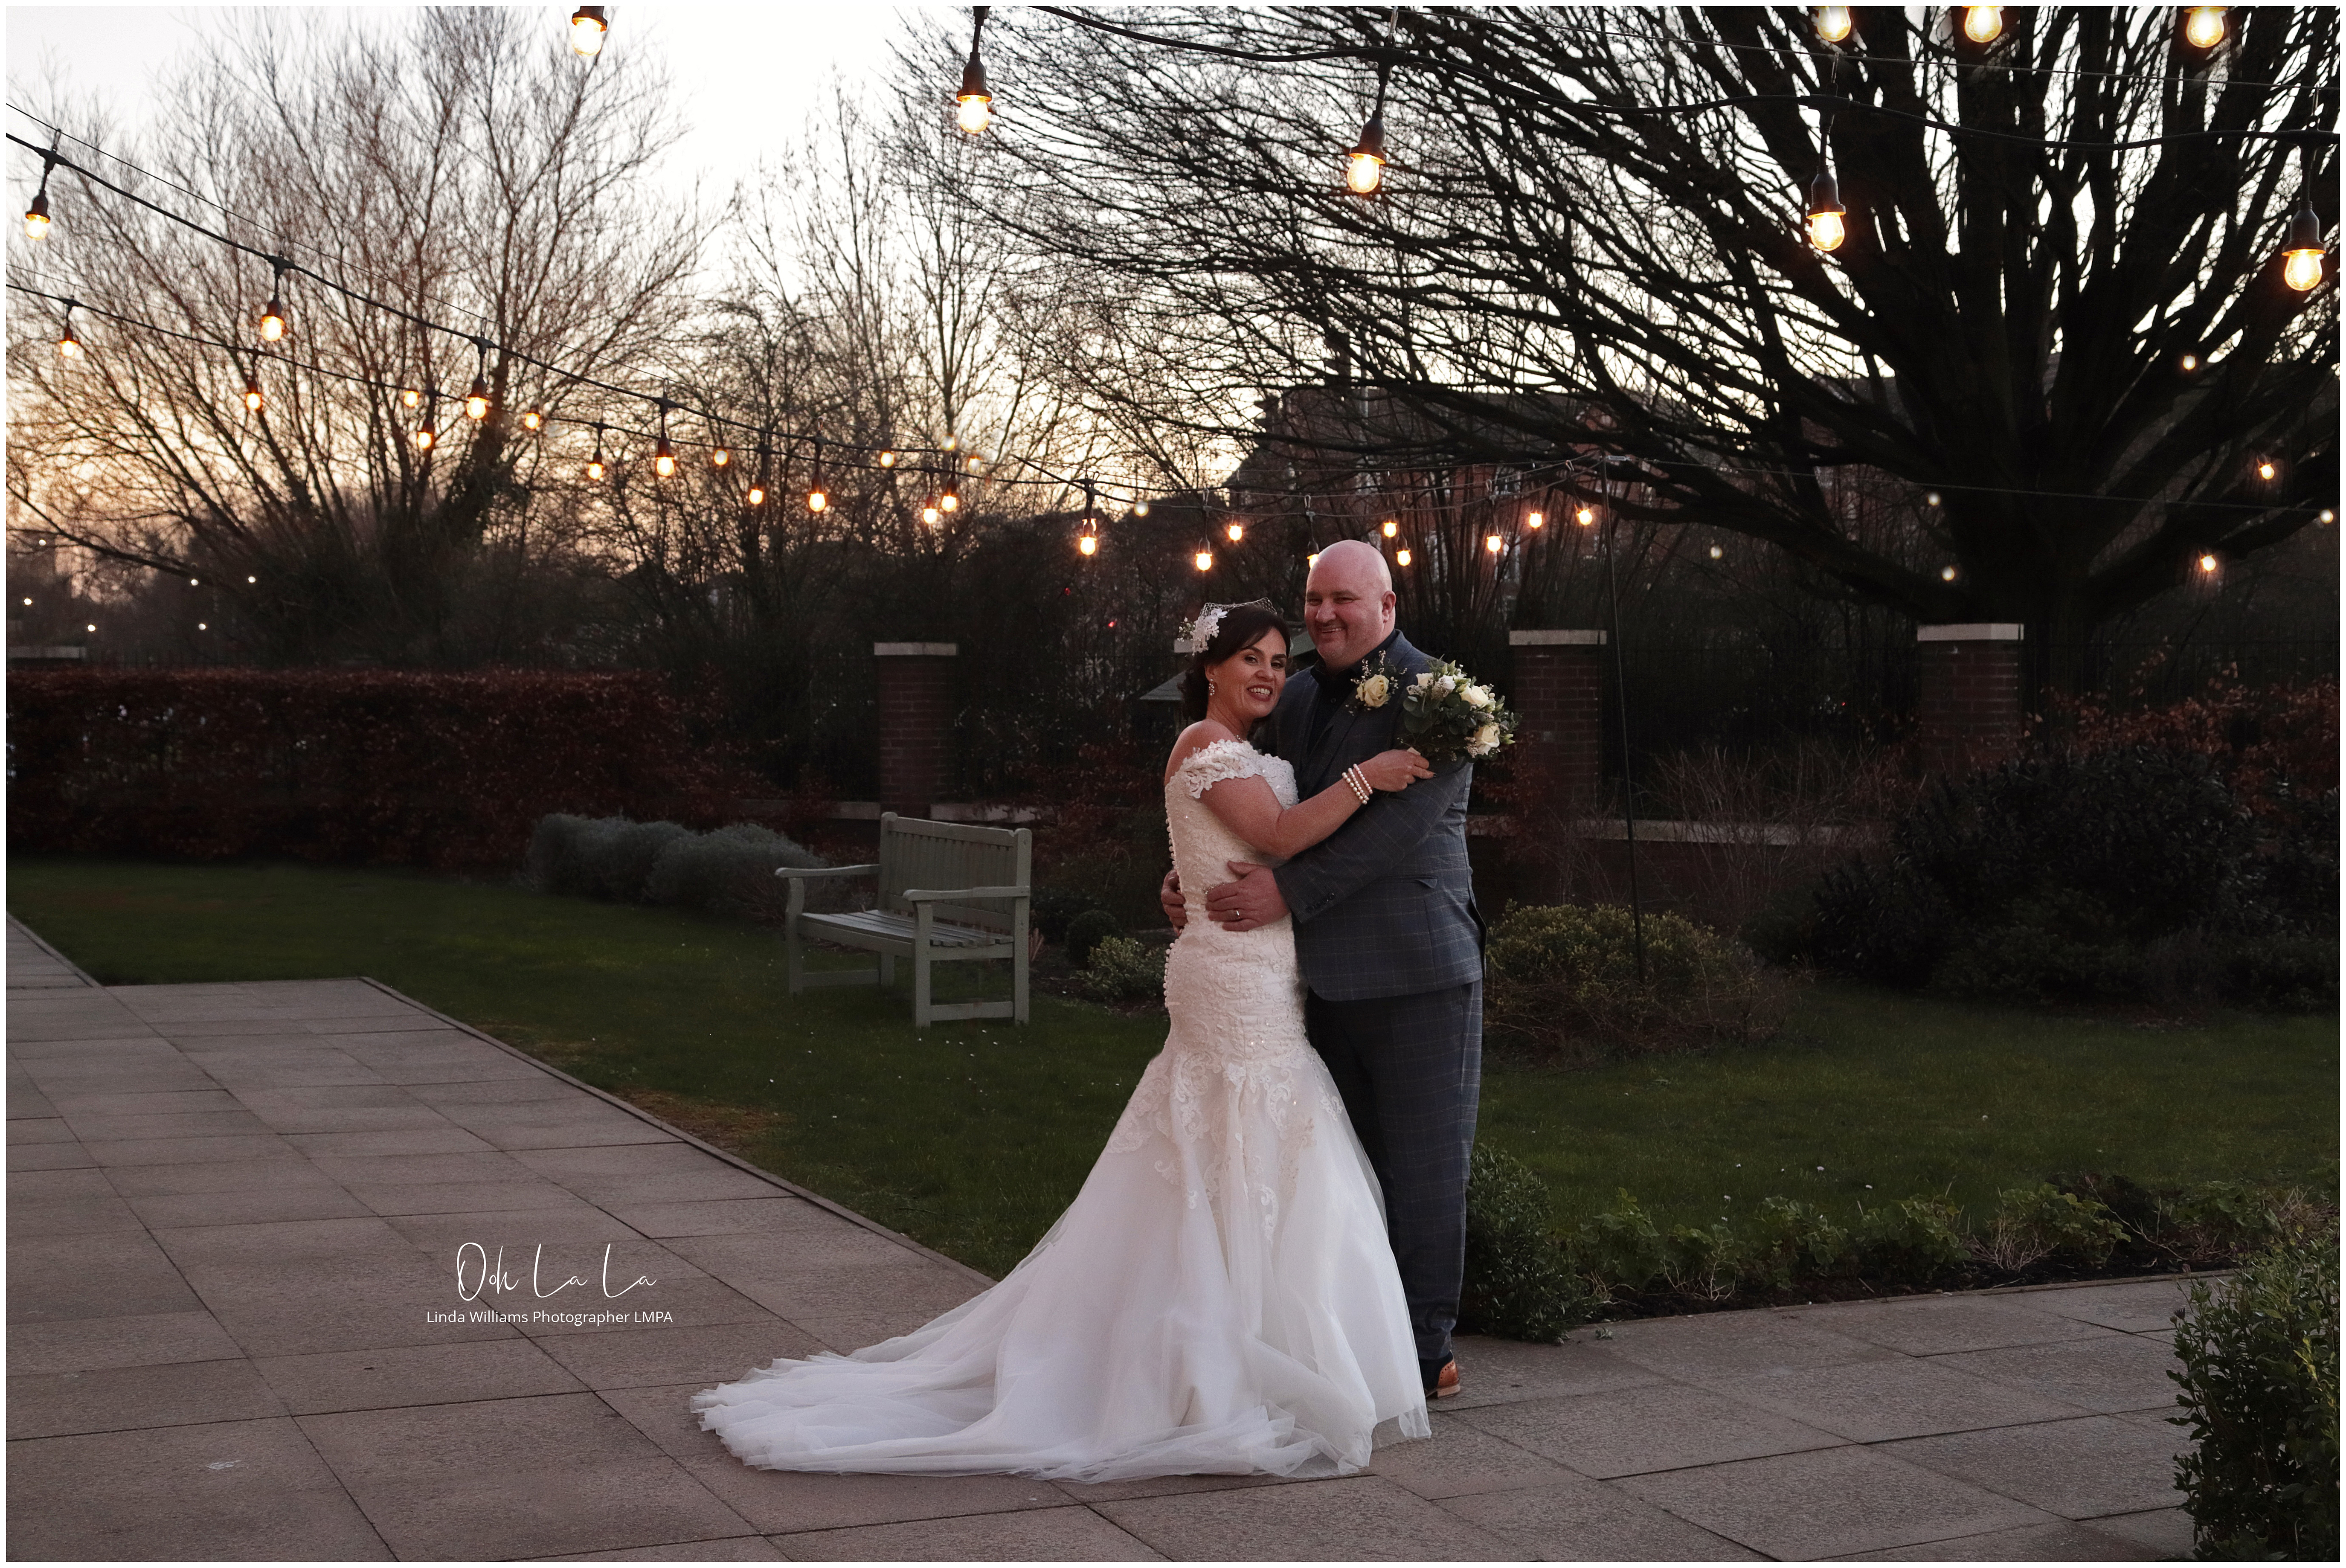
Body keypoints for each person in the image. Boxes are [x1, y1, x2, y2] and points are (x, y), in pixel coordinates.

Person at [691, 600, 1437, 1482]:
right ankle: (1205, 1356)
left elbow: (1257, 846)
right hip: (1227, 979)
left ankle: (1260, 1343)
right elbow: (1277, 833)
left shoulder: (1259, 755)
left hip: (1264, 967)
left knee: (1263, 1149)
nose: (1268, 672)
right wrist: (1369, 776)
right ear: (1209, 668)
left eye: (1278, 659)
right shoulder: (1204, 745)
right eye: (1249, 658)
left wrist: (1192, 875)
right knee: (1228, 1140)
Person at [1161, 540, 1485, 1402]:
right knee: (1334, 1173)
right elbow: (1255, 806)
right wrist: (1192, 874)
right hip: (1313, 979)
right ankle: (1345, 1339)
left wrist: (1282, 892)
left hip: (1418, 969)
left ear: (1387, 605)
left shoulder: (1441, 699)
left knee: (1423, 1171)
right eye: (1313, 599)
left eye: (1342, 598)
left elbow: (1395, 832)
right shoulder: (1297, 695)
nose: (1323, 615)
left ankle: (1421, 1353)